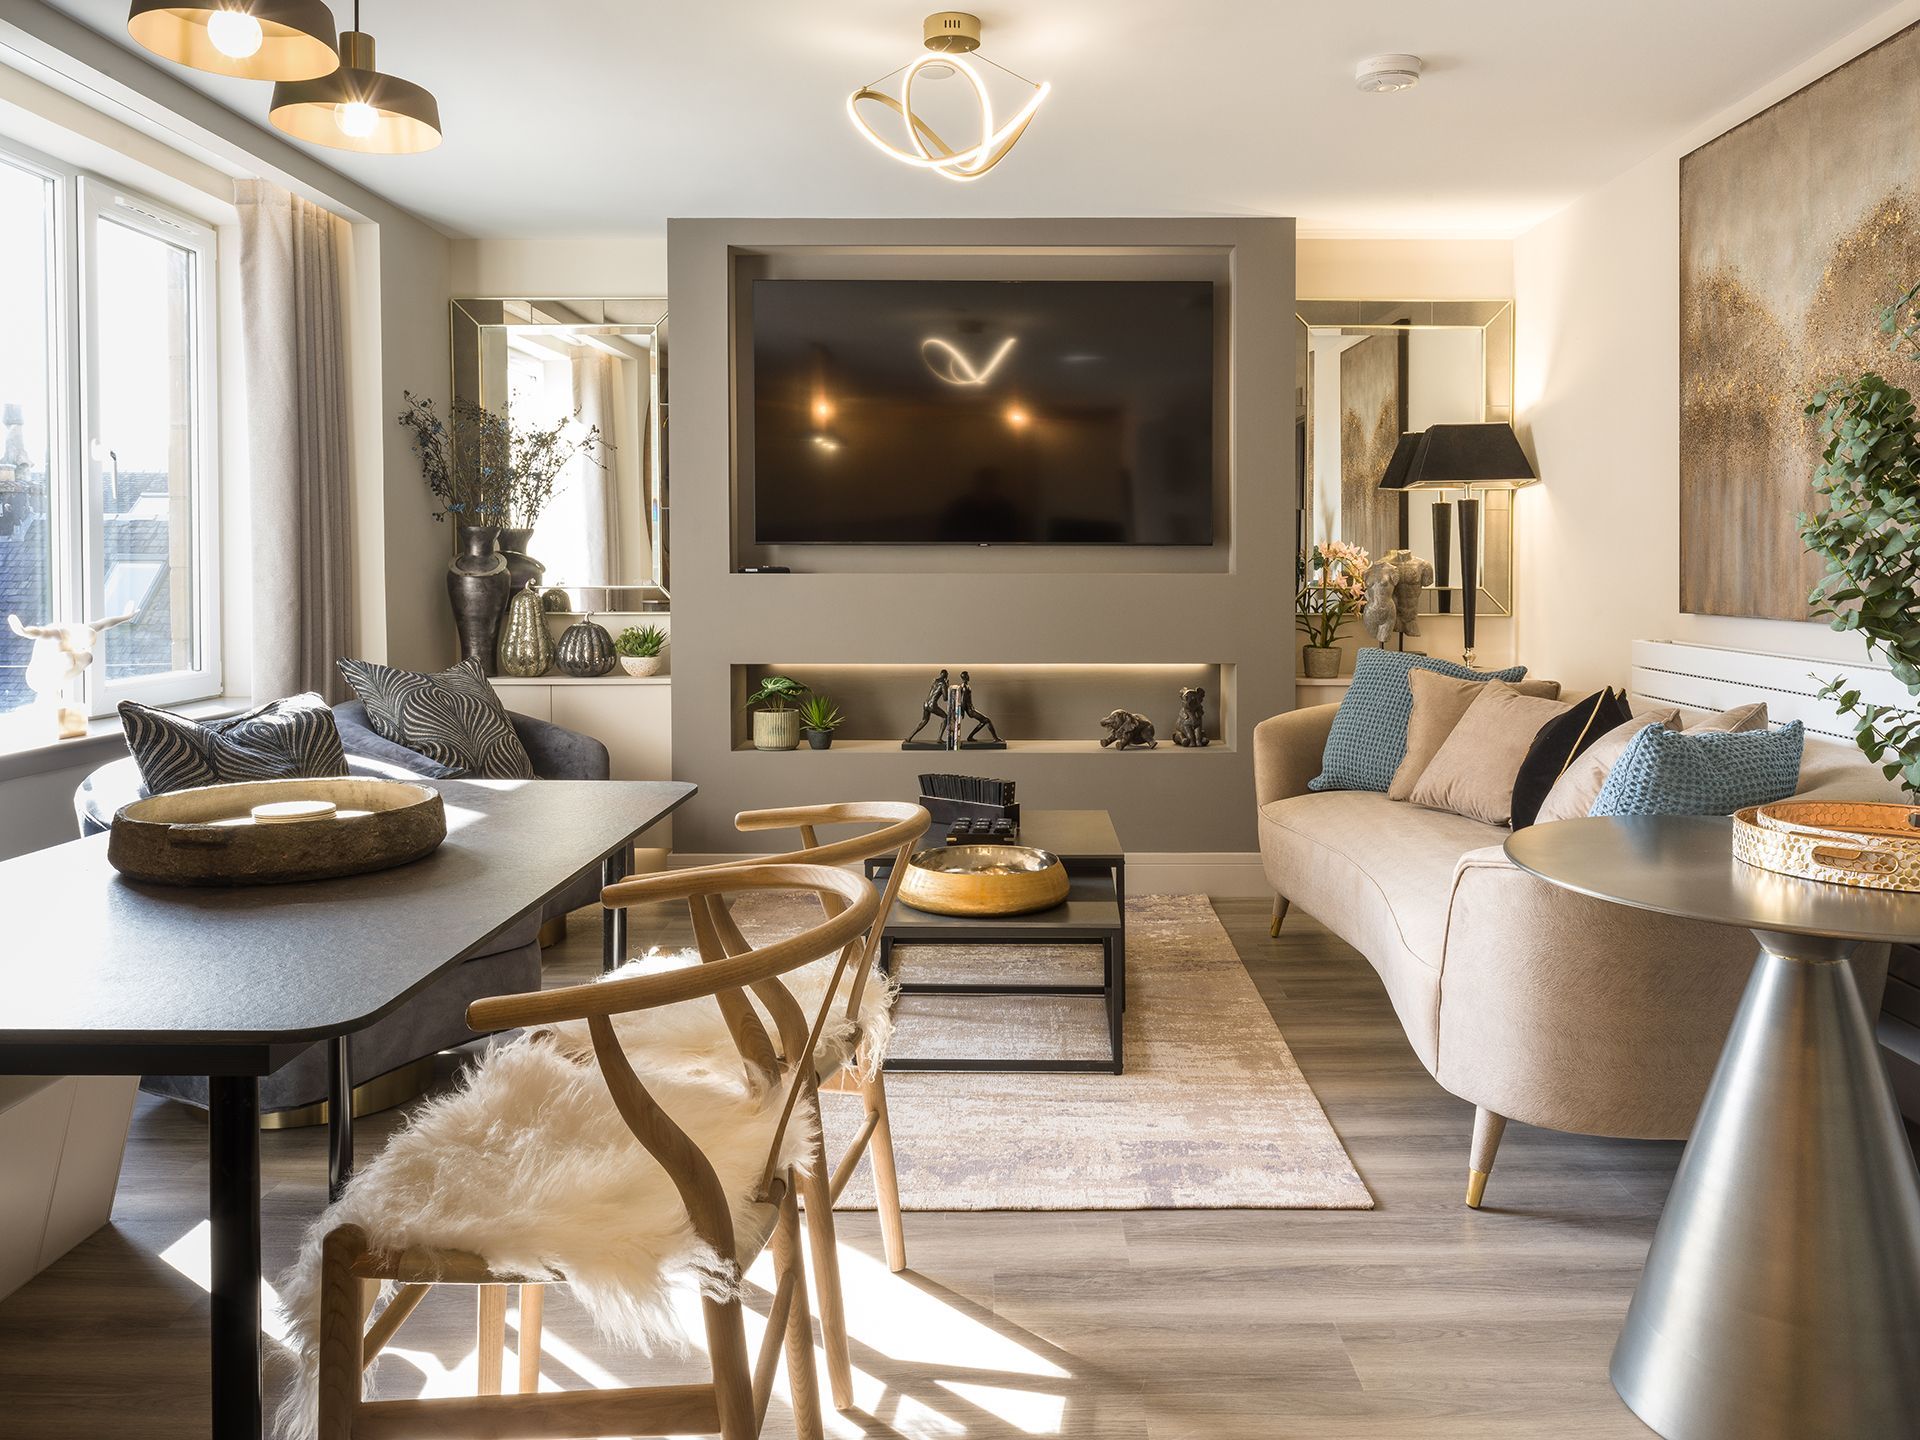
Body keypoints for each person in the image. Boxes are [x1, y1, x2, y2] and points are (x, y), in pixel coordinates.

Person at [903, 668, 951, 745]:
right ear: (946, 676)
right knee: (945, 717)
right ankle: (939, 738)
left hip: (926, 703)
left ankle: (909, 737)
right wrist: (947, 686)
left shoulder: (934, 681)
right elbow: (945, 698)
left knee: (924, 721)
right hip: (932, 705)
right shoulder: (943, 683)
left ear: (940, 674)